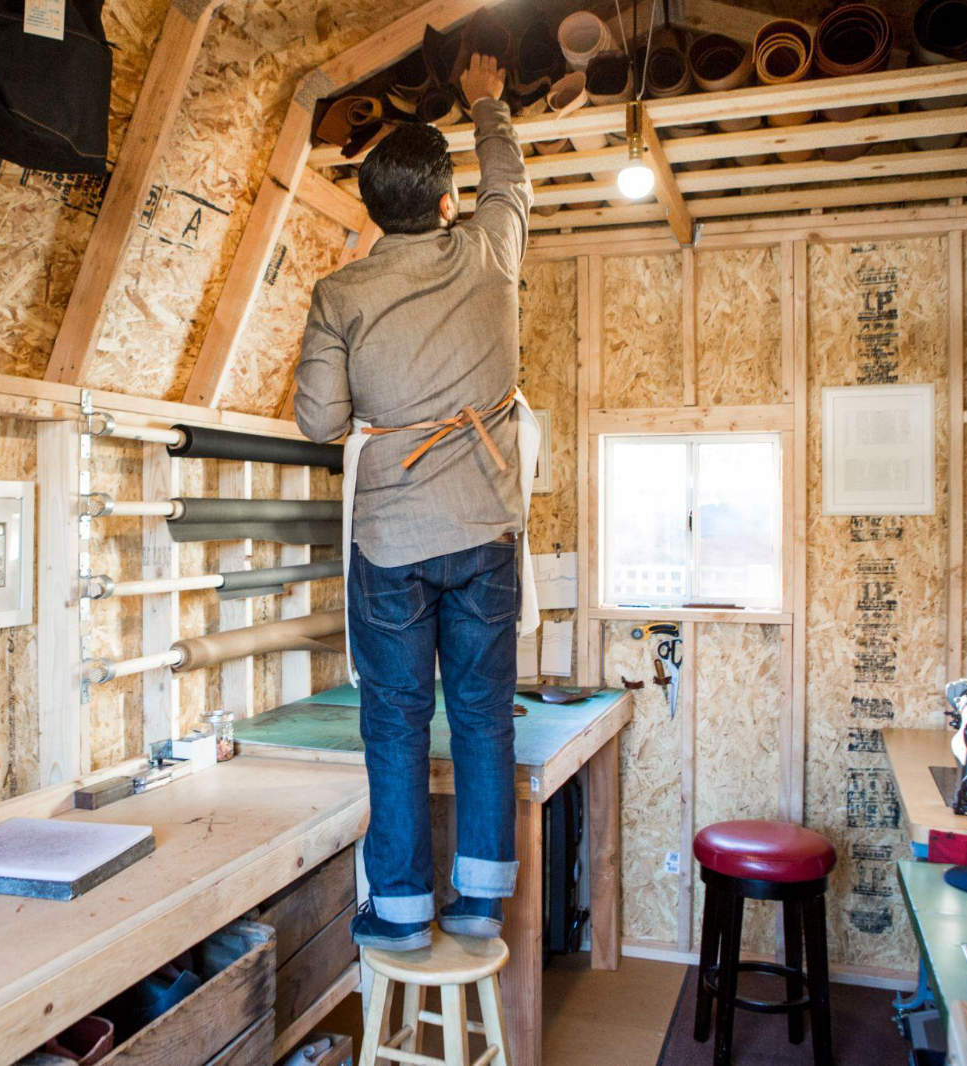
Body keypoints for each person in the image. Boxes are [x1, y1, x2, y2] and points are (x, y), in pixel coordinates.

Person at [293, 54, 535, 952]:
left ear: (369, 211)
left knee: (395, 719)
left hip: (392, 539)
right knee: (480, 712)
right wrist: (485, 102)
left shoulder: (341, 291)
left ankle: (397, 909)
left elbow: (320, 420)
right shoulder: (491, 247)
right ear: (446, 203)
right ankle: (480, 903)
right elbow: (509, 177)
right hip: (484, 531)